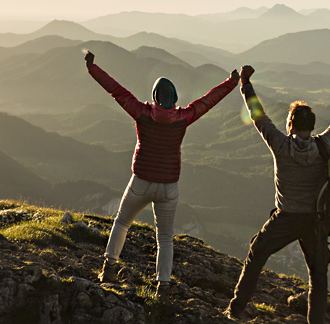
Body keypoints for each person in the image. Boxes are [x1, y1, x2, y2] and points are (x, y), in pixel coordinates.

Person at [223, 65, 330, 323]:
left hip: (285, 218)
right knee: (318, 275)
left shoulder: (280, 144)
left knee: (256, 254)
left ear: (290, 124)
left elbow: (257, 114)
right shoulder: (325, 144)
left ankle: (235, 309)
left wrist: (245, 83)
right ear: (312, 124)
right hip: (316, 222)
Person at [84, 50, 239, 295]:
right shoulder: (184, 117)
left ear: (155, 97)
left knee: (122, 222)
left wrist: (92, 68)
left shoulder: (141, 112)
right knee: (165, 237)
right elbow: (209, 100)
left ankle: (108, 268)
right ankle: (163, 285)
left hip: (141, 181)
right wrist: (232, 81)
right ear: (174, 98)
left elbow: (115, 89)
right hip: (169, 187)